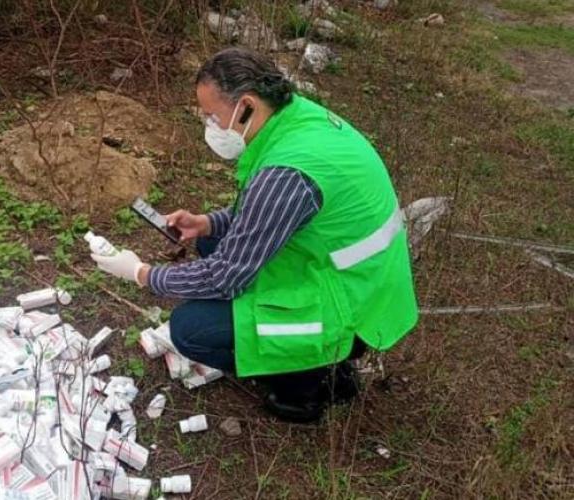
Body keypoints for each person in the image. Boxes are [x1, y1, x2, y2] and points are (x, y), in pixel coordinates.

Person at [91, 47, 419, 422]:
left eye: (212, 116)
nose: (209, 127)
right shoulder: (296, 119)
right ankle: (319, 358)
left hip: (350, 307)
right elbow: (273, 213)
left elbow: (225, 277)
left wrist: (142, 274)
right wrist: (207, 223)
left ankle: (303, 384)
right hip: (362, 281)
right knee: (213, 240)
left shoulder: (287, 171)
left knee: (189, 331)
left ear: (246, 106)